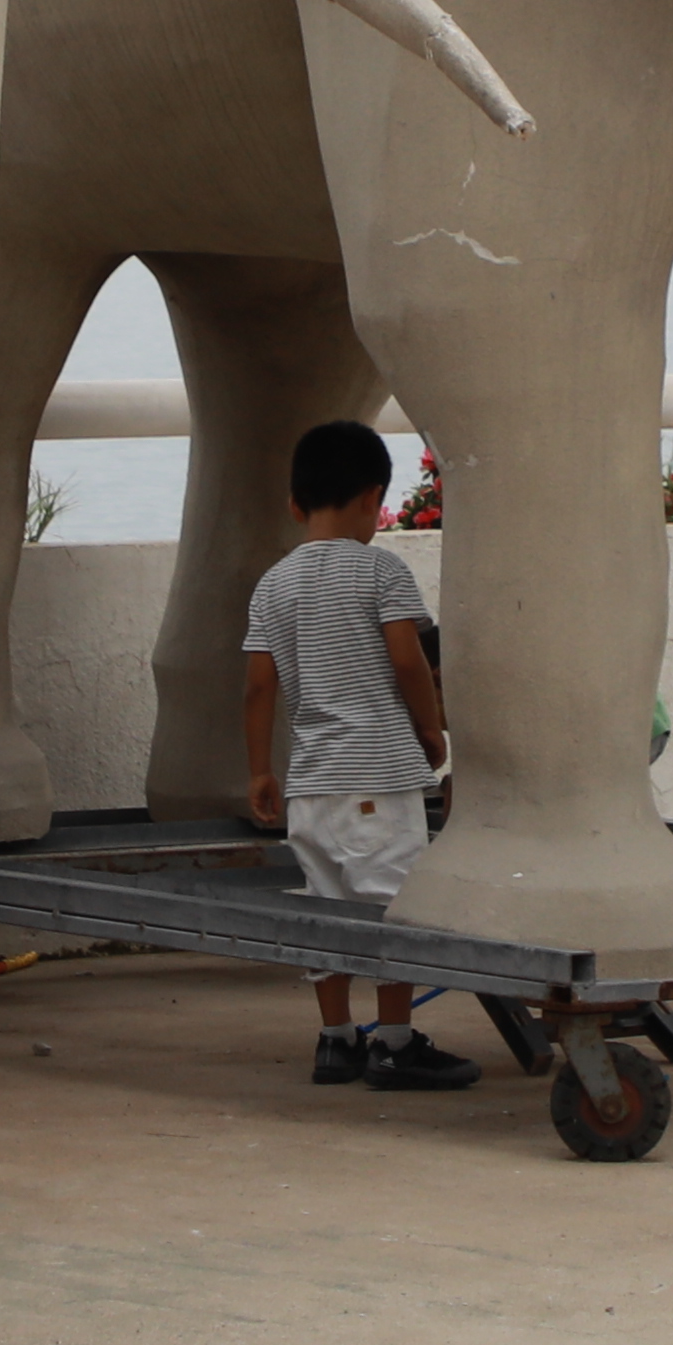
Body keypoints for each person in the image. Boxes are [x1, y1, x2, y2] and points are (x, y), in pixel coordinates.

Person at [238, 417, 476, 1092]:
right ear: (375, 498)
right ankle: (395, 1043)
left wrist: (260, 770)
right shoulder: (381, 570)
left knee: (326, 907)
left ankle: (336, 1040)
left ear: (295, 504)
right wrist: (430, 728)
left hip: (310, 783)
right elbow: (407, 661)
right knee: (392, 907)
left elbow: (258, 686)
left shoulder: (272, 585)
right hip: (378, 774)